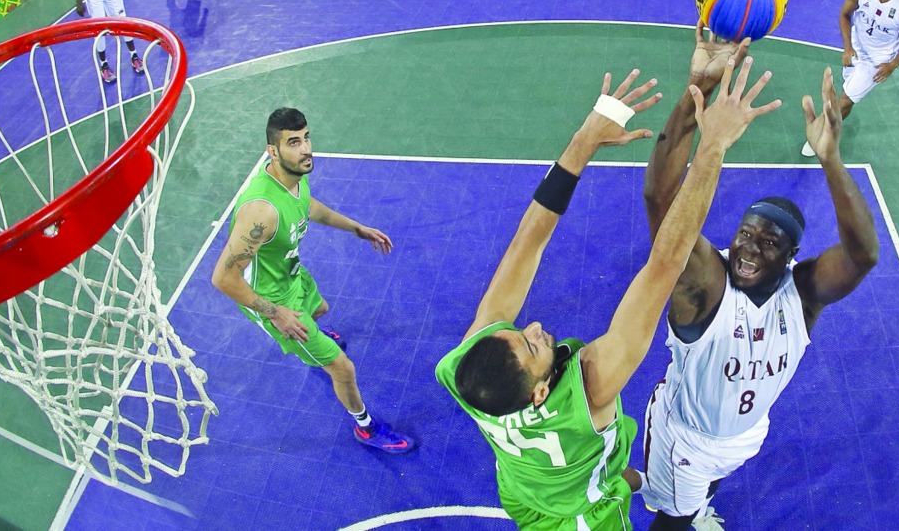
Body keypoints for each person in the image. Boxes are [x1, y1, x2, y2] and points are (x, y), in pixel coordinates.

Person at [436, 61, 781, 530]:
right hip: (581, 515)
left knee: (594, 474)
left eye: (520, 332)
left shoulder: (465, 368)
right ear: (541, 394)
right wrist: (713, 146)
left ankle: (638, 480)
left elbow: (527, 242)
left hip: (523, 492)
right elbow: (664, 266)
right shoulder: (593, 387)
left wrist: (584, 141)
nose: (534, 328)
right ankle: (634, 485)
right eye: (534, 345)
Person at [640, 25, 879, 530]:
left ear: (791, 254)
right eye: (746, 233)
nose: (749, 247)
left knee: (704, 493)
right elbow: (661, 201)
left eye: (768, 242)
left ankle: (698, 503)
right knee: (669, 522)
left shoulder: (804, 293)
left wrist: (832, 159)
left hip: (747, 434)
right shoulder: (706, 284)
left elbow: (862, 255)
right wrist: (694, 99)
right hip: (685, 440)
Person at [211, 107, 413, 453]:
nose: (306, 149)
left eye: (306, 138)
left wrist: (356, 228)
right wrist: (275, 313)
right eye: (293, 142)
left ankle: (312, 343)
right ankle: (364, 426)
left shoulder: (293, 177)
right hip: (273, 300)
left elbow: (308, 206)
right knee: (343, 367)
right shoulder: (260, 211)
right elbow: (223, 278)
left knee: (321, 308)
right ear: (272, 152)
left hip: (292, 275)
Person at [803, 0, 899, 157]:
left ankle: (818, 137)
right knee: (848, 99)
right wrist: (848, 47)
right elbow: (844, 15)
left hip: (877, 62)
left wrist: (893, 64)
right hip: (856, 49)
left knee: (844, 100)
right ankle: (835, 130)